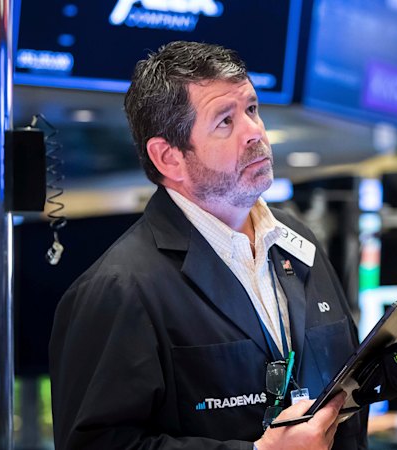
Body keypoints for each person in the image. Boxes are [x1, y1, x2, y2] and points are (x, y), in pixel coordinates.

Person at [49, 41, 369, 449]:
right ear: (169, 158)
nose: (254, 132)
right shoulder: (118, 288)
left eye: (252, 109)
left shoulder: (297, 241)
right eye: (225, 121)